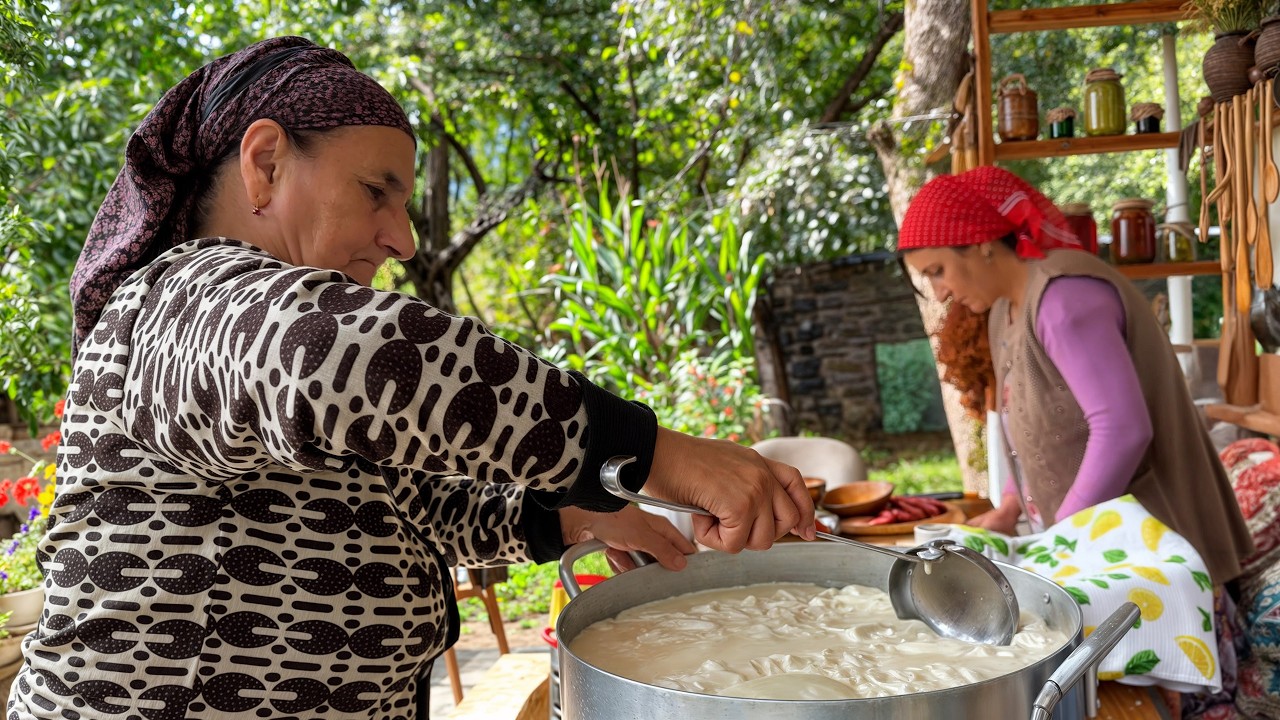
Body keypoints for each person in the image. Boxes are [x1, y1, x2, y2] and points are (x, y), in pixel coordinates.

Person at [12, 37, 815, 719]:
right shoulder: (178, 300)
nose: (399, 238)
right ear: (262, 165)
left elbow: (403, 506)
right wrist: (650, 451)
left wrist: (571, 514)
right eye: (374, 192)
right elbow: (340, 355)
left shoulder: (254, 352)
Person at [897, 166, 1252, 710]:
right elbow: (1024, 429)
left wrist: (1059, 540)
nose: (940, 292)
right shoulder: (1004, 313)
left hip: (1156, 554)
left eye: (939, 270)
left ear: (983, 245)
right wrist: (1012, 507)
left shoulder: (1064, 299)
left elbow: (1122, 429)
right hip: (1100, 548)